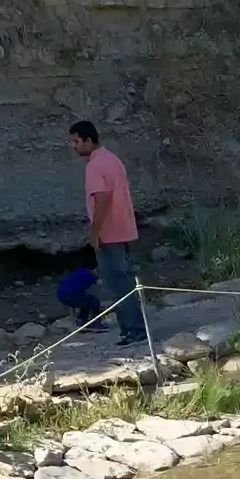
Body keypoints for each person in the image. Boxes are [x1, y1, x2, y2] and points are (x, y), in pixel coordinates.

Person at [68, 120, 148, 347]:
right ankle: (135, 328)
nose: (73, 146)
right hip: (123, 230)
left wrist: (95, 232)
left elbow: (101, 199)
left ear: (88, 140)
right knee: (126, 283)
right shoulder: (112, 159)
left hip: (109, 234)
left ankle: (133, 331)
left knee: (118, 285)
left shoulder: (94, 166)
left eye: (76, 141)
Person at [55, 264, 101, 329]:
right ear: (95, 270)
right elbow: (100, 282)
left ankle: (81, 322)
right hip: (72, 295)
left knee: (85, 302)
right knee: (94, 301)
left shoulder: (79, 272)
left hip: (62, 295)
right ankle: (96, 322)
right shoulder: (89, 273)